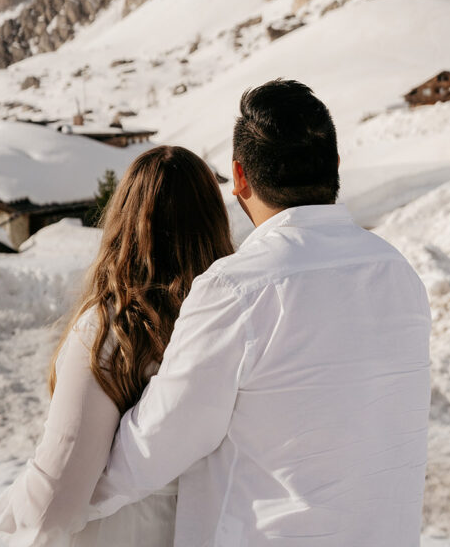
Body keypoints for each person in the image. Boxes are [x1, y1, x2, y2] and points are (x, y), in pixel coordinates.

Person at [88, 78, 432, 545]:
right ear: (334, 165)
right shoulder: (399, 275)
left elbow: (155, 447)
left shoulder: (237, 288)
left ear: (240, 177)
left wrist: (62, 499)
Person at [0, 145, 235, 546]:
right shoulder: (230, 322)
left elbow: (56, 496)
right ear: (213, 222)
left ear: (125, 221)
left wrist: (11, 508)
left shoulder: (115, 332)